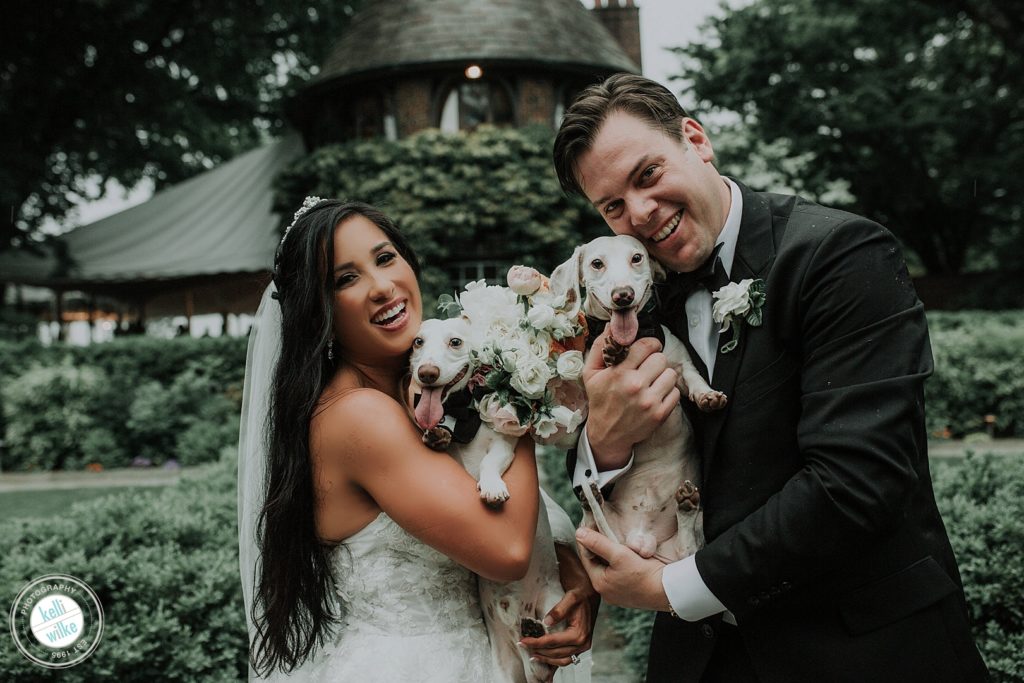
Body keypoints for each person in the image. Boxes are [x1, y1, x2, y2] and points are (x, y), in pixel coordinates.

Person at [553, 74, 989, 683]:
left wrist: (671, 585)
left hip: (859, 652)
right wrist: (604, 442)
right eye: (612, 206)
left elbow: (855, 482)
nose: (641, 213)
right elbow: (610, 450)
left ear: (696, 140)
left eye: (647, 175)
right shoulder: (636, 295)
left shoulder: (841, 254)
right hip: (703, 663)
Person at [237, 199, 597, 682]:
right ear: (316, 310)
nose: (382, 286)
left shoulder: (420, 397)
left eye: (385, 258)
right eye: (346, 279)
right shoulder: (361, 416)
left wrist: (572, 576)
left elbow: (493, 505)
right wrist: (516, 389)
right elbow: (507, 550)